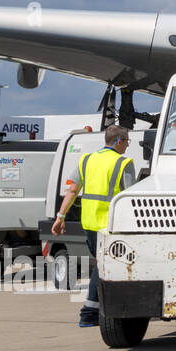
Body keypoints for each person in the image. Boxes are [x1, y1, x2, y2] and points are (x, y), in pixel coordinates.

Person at [51, 125, 137, 327]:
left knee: (101, 265)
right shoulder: (124, 162)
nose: (127, 146)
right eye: (126, 141)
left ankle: (92, 312)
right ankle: (88, 313)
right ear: (118, 141)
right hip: (110, 225)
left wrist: (60, 216)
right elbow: (130, 196)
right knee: (102, 266)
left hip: (89, 223)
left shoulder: (86, 160)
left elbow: (72, 190)